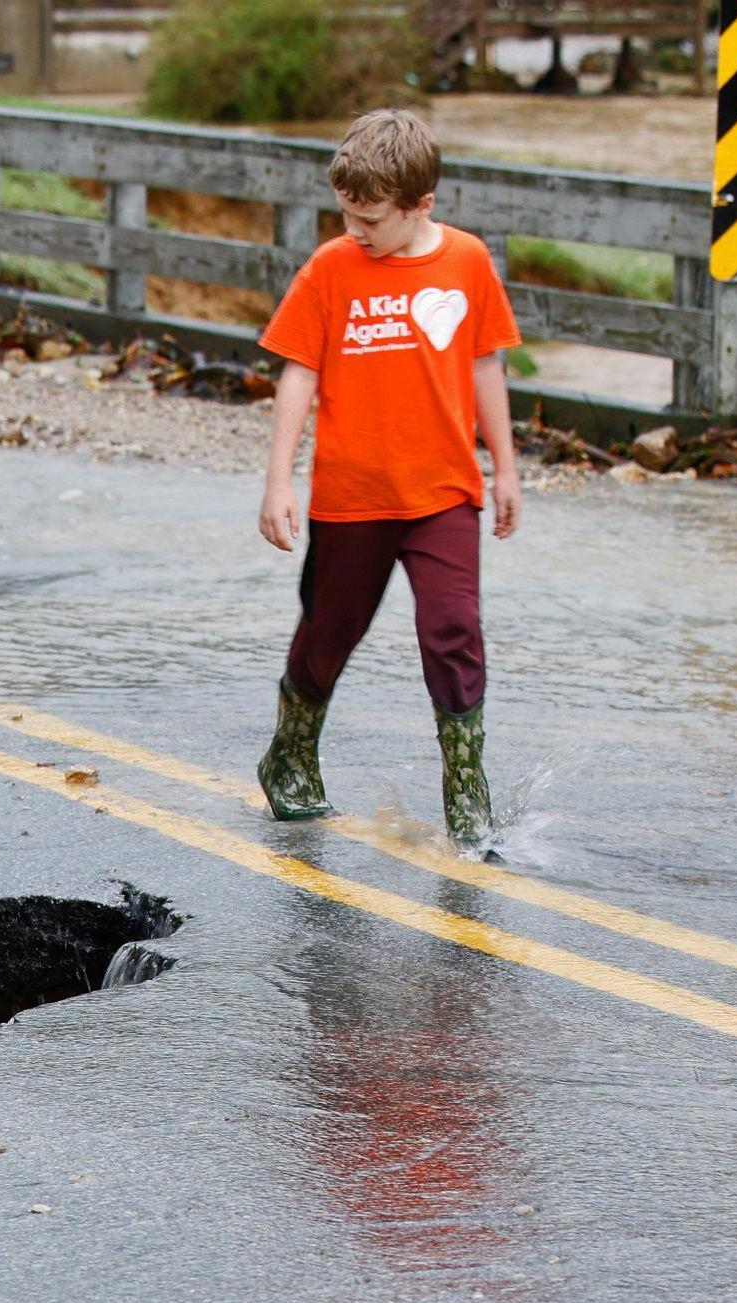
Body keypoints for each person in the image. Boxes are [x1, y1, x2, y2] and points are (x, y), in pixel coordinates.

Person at [254, 110, 525, 846]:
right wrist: (279, 481)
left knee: (452, 628)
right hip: (352, 494)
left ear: (422, 205)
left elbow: (484, 364)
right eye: (346, 213)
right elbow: (298, 373)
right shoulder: (331, 269)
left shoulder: (466, 263)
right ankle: (291, 751)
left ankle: (466, 786)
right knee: (330, 632)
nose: (355, 230)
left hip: (443, 490)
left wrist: (505, 467)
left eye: (370, 218)